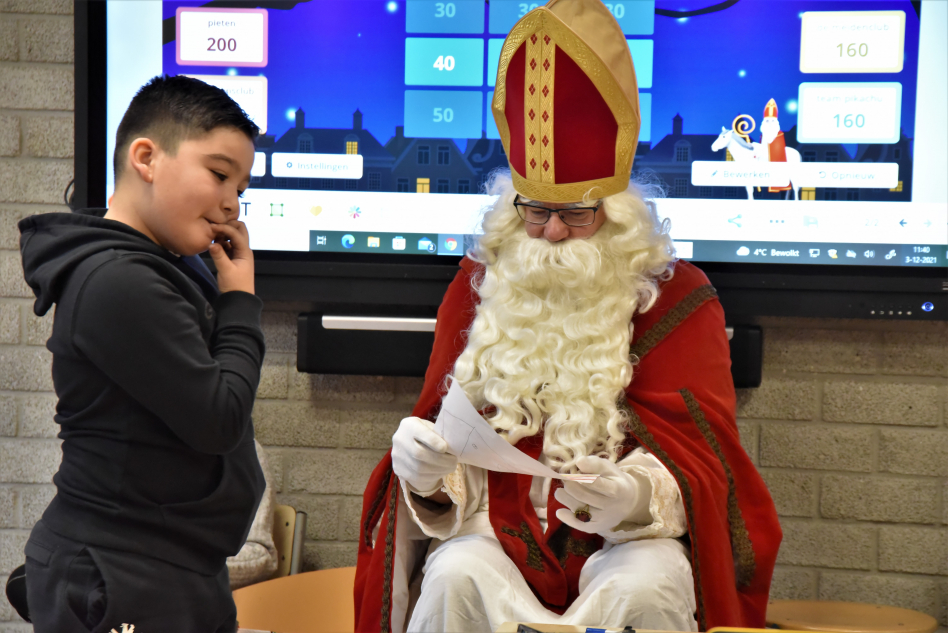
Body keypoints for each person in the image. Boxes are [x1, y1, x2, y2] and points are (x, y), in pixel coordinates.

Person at [354, 1, 781, 631]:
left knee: (649, 583)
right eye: (535, 211)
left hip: (626, 544)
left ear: (616, 211)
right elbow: (452, 445)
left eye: (576, 213)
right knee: (453, 574)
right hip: (495, 536)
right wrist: (427, 478)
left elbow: (706, 462)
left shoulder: (679, 296)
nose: (552, 232)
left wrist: (635, 497)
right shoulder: (477, 285)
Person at [18, 75, 266, 633]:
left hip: (166, 566)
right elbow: (220, 417)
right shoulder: (118, 280)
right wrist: (240, 301)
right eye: (219, 174)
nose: (232, 202)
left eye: (241, 187)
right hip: (122, 572)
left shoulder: (160, 266)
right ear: (147, 158)